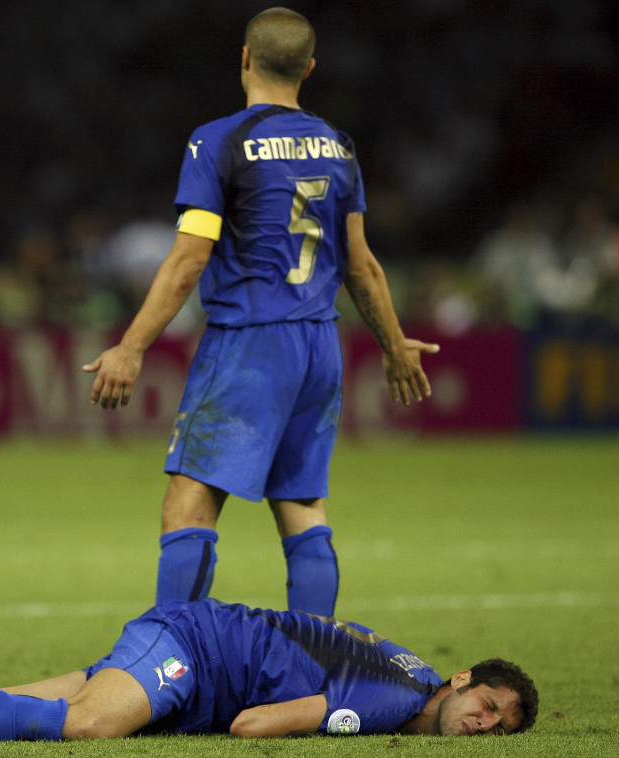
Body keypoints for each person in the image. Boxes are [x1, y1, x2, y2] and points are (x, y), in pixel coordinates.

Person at [82, 8, 440, 617]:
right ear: (310, 69)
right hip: (319, 345)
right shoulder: (338, 146)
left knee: (188, 504)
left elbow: (190, 259)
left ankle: (171, 657)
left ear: (245, 58)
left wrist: (132, 345)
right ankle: (312, 662)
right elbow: (361, 265)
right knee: (302, 506)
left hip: (250, 342)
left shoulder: (218, 139)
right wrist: (394, 343)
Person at [0, 597, 538, 744]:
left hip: (204, 655)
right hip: (196, 648)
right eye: (491, 704)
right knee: (87, 724)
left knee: (14, 703)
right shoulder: (396, 700)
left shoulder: (412, 674)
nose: (487, 724)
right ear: (461, 679)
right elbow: (254, 726)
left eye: (502, 726)